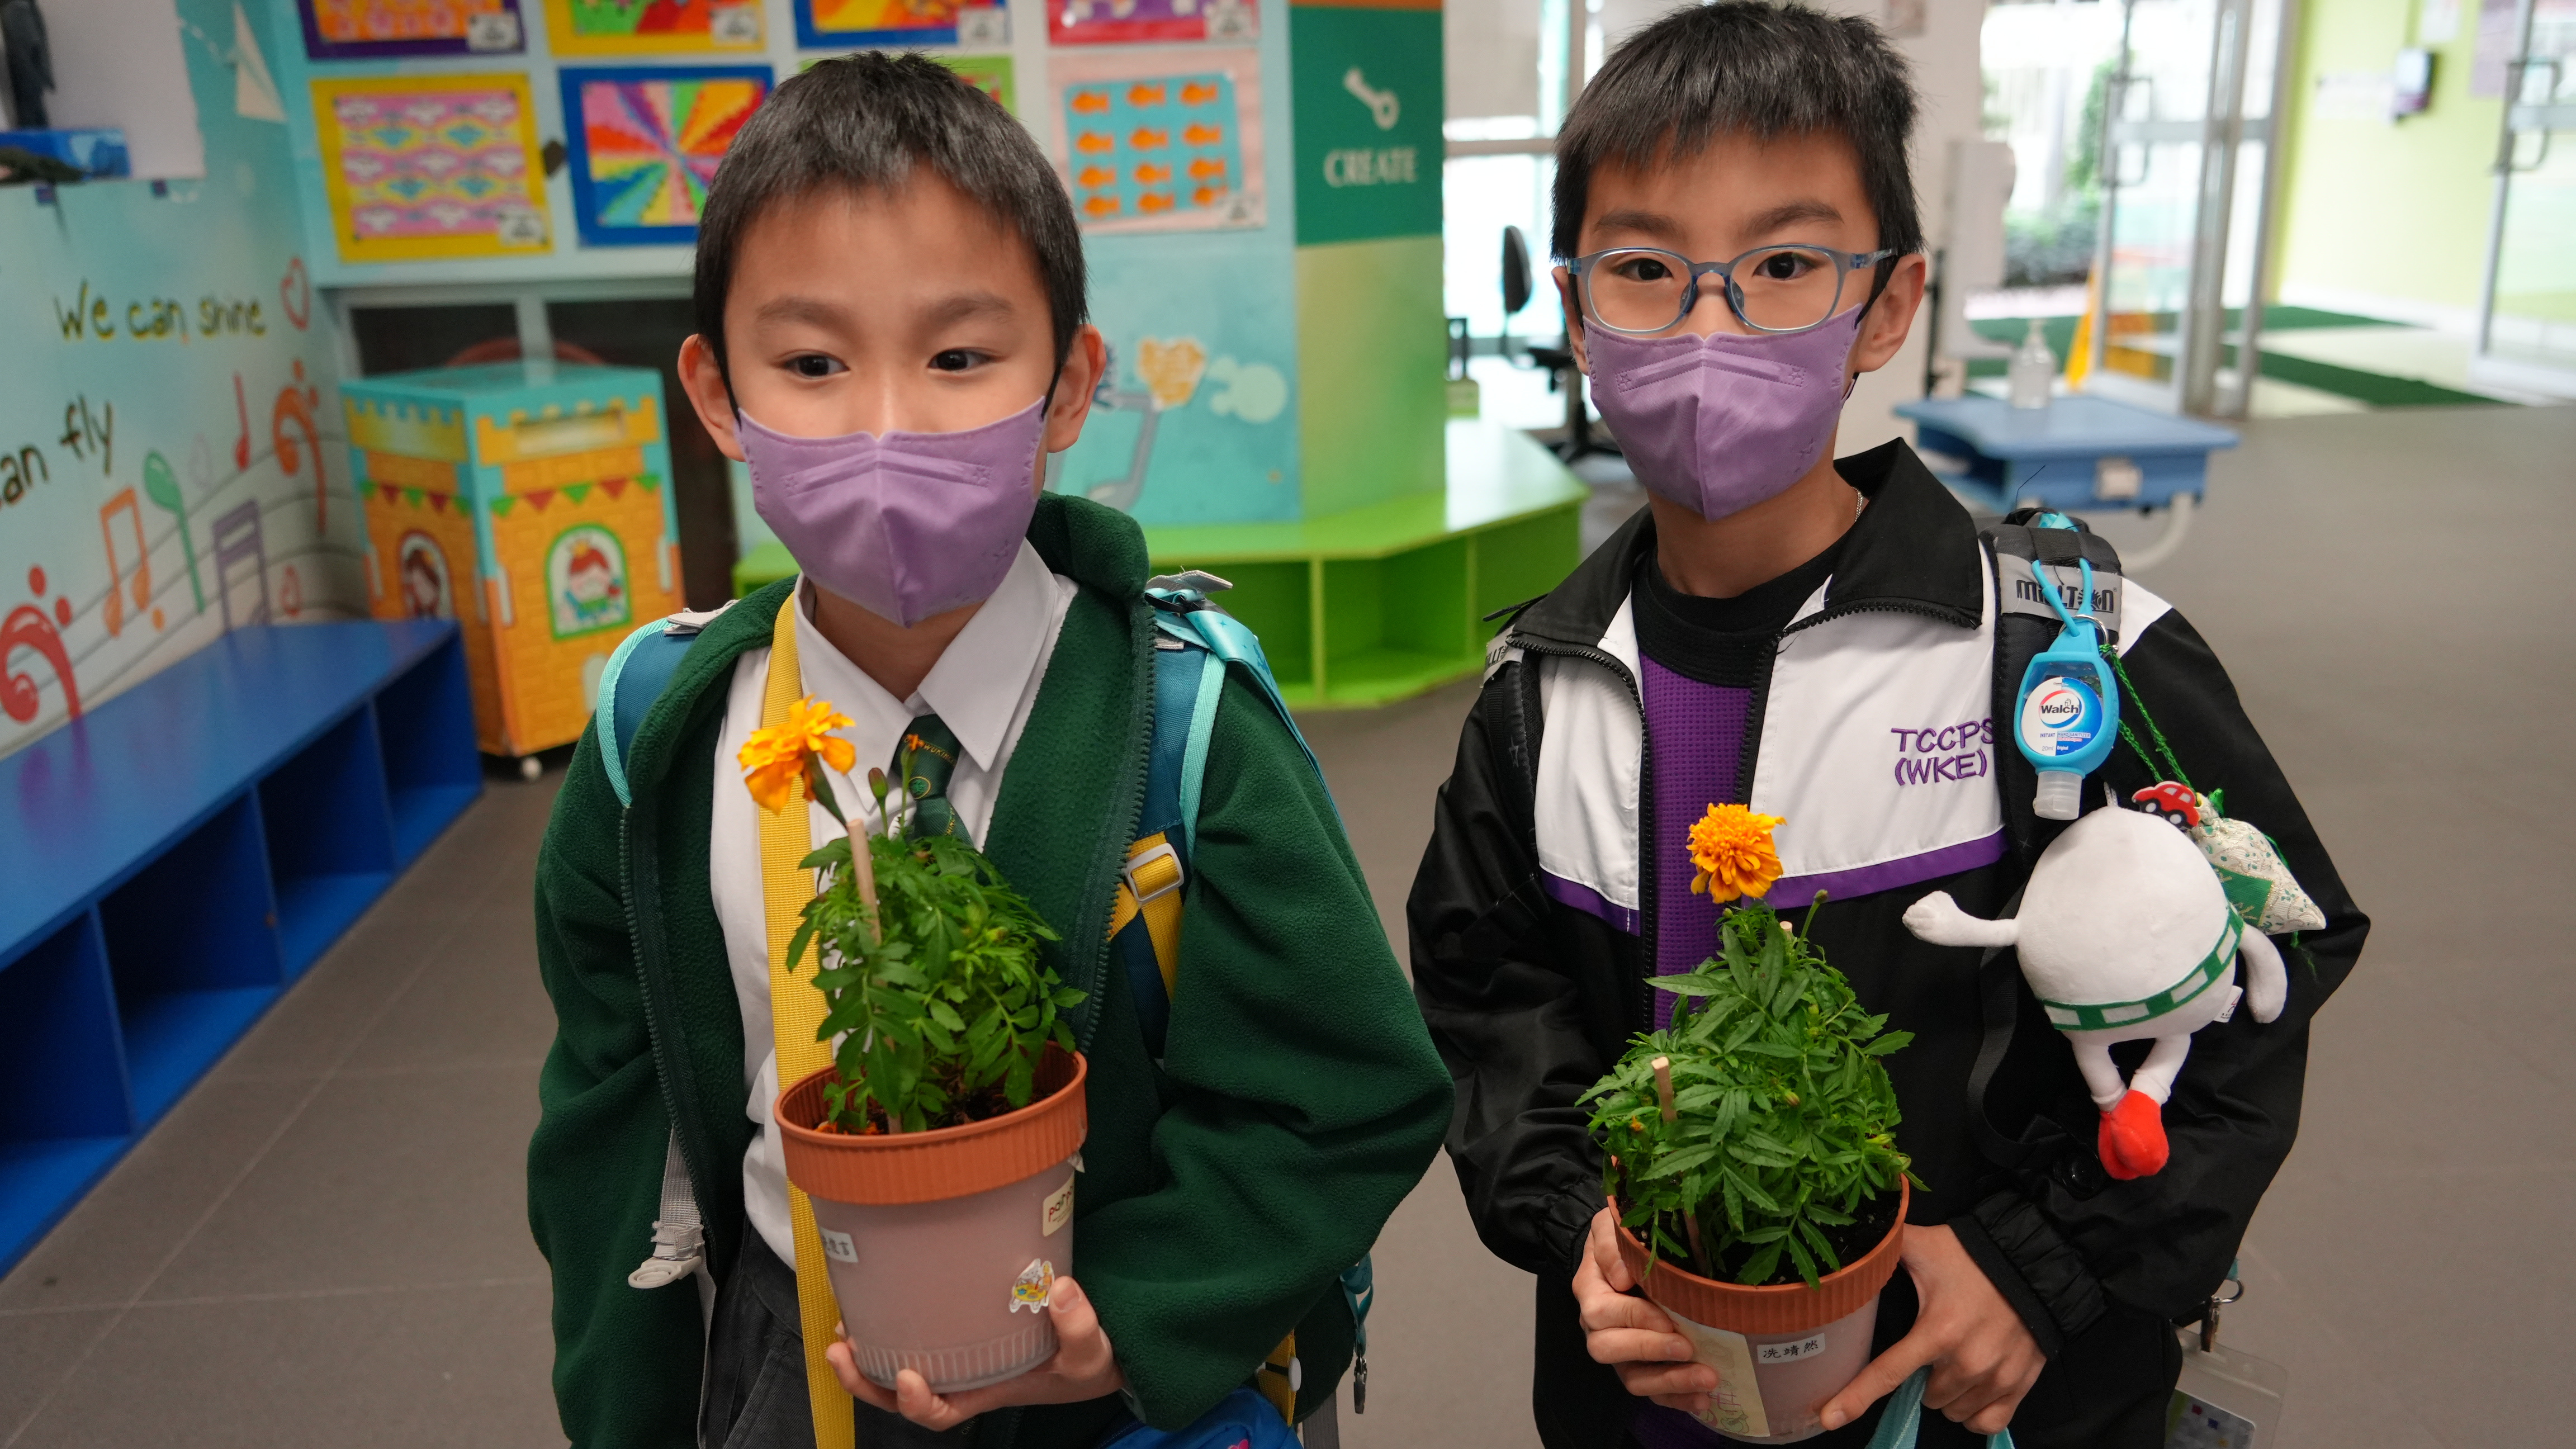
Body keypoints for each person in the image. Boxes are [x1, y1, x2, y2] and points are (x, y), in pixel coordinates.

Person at [1405, 7, 2365, 1448]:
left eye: (1785, 266)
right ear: (1578, 310)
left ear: (1890, 303)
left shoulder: (2062, 651)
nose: (1711, 327)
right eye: (1646, 269)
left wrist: (2044, 1269)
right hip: (1652, 1396)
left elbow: (2266, 953)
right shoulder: (1541, 693)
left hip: (1989, 1400)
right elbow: (1490, 998)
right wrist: (1575, 1217)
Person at [527, 53, 1450, 1449]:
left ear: (1069, 388)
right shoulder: (660, 730)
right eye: (812, 364)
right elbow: (609, 1118)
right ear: (718, 396)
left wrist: (1135, 1320)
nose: (888, 425)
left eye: (960, 358)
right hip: (793, 1344)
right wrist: (625, 1411)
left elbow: (1346, 1091)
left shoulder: (1188, 720)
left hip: (1114, 1371)